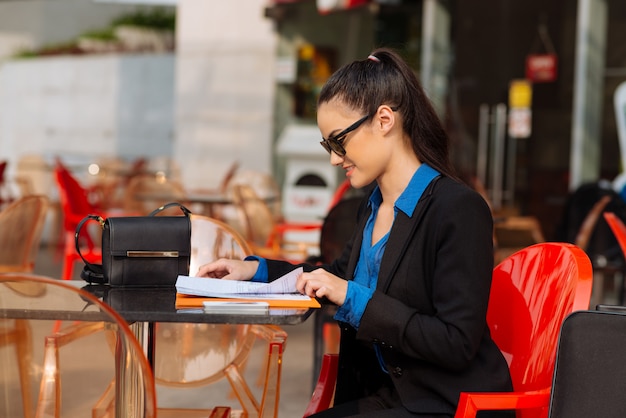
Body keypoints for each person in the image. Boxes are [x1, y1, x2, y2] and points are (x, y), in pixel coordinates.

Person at [198, 47, 513, 417]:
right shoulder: (374, 205)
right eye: (327, 145)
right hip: (389, 398)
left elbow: (456, 342)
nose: (334, 158)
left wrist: (353, 298)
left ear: (384, 120)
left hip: (449, 404)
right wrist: (255, 272)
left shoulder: (457, 210)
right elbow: (332, 277)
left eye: (338, 141)